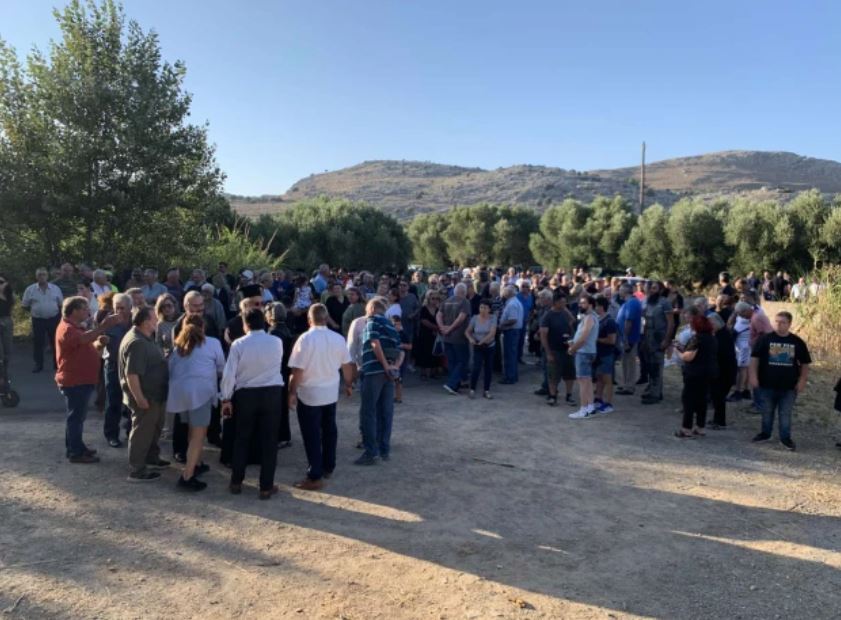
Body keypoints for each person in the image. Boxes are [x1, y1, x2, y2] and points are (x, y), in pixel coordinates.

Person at [287, 304, 354, 490]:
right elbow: (347, 365)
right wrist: (349, 384)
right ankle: (328, 466)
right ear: (326, 317)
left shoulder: (305, 339)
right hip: (330, 391)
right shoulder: (338, 338)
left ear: (309, 319)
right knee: (329, 429)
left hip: (310, 393)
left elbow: (297, 370)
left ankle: (315, 474)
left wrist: (292, 392)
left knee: (312, 434)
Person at [221, 308, 285, 499]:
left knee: (242, 438)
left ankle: (236, 481)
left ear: (245, 324)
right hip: (272, 392)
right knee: (269, 441)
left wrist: (226, 398)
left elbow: (229, 374)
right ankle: (266, 486)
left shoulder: (238, 344)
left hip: (246, 394)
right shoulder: (276, 341)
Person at [55, 297, 121, 463]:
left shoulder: (75, 327)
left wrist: (99, 342)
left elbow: (86, 343)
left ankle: (76, 447)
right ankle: (75, 452)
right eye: (84, 309)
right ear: (74, 311)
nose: (88, 311)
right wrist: (104, 326)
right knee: (76, 418)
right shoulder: (67, 329)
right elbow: (83, 339)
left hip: (80, 379)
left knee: (76, 417)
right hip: (75, 380)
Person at [167, 314, 225, 491]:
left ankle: (197, 463)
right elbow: (221, 368)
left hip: (180, 392)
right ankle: (187, 475)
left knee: (192, 430)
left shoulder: (178, 347)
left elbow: (171, 368)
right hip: (200, 392)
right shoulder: (213, 343)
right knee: (199, 436)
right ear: (203, 328)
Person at [119, 306, 170, 481]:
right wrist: (140, 398)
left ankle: (151, 458)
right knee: (142, 432)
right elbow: (132, 374)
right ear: (145, 322)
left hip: (155, 395)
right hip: (146, 397)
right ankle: (137, 470)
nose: (157, 320)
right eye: (154, 318)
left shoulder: (145, 337)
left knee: (154, 429)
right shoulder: (137, 343)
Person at [750, 311, 811, 451]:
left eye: (783, 322)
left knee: (785, 414)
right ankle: (765, 434)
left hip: (788, 386)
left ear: (789, 324)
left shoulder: (797, 342)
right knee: (767, 411)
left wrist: (802, 380)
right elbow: (754, 358)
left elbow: (805, 363)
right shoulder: (765, 339)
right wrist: (753, 376)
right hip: (766, 383)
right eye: (777, 321)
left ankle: (785, 438)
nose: (779, 325)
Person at [355, 297, 401, 465]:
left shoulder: (372, 322)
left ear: (372, 309)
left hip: (374, 371)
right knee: (385, 412)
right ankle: (384, 450)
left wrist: (384, 365)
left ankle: (370, 452)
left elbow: (374, 343)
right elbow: (400, 351)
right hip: (388, 374)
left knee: (368, 412)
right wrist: (393, 367)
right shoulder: (391, 326)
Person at [674, 308, 718, 438]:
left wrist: (678, 351)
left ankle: (686, 428)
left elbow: (688, 357)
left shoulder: (697, 338)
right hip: (708, 372)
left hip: (694, 373)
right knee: (702, 400)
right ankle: (700, 426)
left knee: (688, 400)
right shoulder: (712, 339)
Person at [101, 293, 133, 447]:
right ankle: (111, 435)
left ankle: (131, 432)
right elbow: (96, 341)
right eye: (116, 308)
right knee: (114, 402)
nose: (119, 311)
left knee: (133, 402)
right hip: (113, 365)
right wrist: (101, 341)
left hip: (132, 366)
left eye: (122, 308)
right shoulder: (108, 321)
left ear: (130, 307)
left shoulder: (136, 320)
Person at [540, 288, 577, 407]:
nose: (564, 304)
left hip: (567, 348)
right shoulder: (548, 316)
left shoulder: (565, 313)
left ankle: (569, 395)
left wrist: (565, 308)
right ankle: (552, 396)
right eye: (561, 302)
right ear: (555, 302)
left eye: (565, 302)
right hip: (554, 349)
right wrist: (548, 353)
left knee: (570, 374)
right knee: (553, 375)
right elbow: (543, 335)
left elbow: (573, 320)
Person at [21, 268, 63, 373]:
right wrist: (35, 311)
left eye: (44, 274)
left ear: (47, 276)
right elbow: (25, 305)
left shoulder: (55, 289)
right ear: (36, 277)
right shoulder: (30, 289)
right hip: (38, 320)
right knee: (38, 342)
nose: (42, 277)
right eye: (39, 275)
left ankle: (57, 364)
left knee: (55, 342)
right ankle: (38, 364)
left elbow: (61, 304)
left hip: (53, 318)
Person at [640, 281, 674, 405]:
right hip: (648, 336)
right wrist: (643, 338)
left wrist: (667, 340)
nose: (652, 290)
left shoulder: (665, 303)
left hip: (659, 337)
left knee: (657, 366)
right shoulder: (648, 302)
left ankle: (656, 394)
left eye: (655, 288)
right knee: (649, 365)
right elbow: (644, 320)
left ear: (660, 290)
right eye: (651, 288)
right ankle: (652, 389)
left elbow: (671, 323)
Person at [266, 302, 294, 448]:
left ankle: (281, 436)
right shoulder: (285, 329)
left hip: (278, 372)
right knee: (282, 405)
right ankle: (284, 435)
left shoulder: (274, 332)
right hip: (285, 370)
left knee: (278, 406)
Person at [568, 295, 599, 419]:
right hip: (586, 351)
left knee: (583, 382)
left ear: (590, 305)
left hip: (584, 352)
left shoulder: (590, 317)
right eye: (580, 303)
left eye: (583, 303)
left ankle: (583, 410)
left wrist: (573, 348)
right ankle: (590, 407)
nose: (580, 305)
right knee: (587, 381)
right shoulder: (589, 317)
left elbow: (584, 337)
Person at [437, 283, 471, 395]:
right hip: (459, 337)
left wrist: (442, 327)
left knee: (452, 362)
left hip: (447, 337)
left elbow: (438, 315)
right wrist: (450, 328)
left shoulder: (446, 301)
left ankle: (454, 385)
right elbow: (461, 318)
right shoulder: (465, 302)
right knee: (462, 361)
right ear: (464, 292)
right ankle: (452, 384)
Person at [709, 313, 737, 429]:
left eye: (710, 324)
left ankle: (720, 422)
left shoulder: (722, 336)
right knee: (717, 396)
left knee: (719, 396)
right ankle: (717, 419)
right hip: (723, 371)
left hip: (724, 372)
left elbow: (721, 354)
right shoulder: (721, 334)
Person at [465, 299, 497, 399]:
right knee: (476, 367)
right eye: (481, 307)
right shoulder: (475, 318)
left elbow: (492, 333)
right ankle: (472, 389)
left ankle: (486, 390)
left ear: (489, 309)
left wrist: (482, 341)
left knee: (488, 368)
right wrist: (470, 339)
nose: (482, 310)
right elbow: (467, 331)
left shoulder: (493, 318)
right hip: (477, 346)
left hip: (489, 346)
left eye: (485, 308)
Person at [615, 284, 642, 396]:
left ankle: (629, 386)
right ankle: (625, 383)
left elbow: (629, 321)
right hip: (625, 338)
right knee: (625, 362)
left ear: (626, 291)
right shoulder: (627, 303)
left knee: (630, 362)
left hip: (630, 338)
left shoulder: (632, 303)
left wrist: (626, 338)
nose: (619, 292)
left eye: (620, 289)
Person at [593, 296, 618, 414]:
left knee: (607, 379)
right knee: (599, 376)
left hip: (606, 354)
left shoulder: (609, 321)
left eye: (596, 305)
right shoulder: (599, 319)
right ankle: (598, 398)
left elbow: (612, 340)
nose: (595, 308)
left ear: (601, 307)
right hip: (599, 354)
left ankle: (608, 403)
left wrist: (596, 339)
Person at [499, 285, 524, 385]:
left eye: (504, 291)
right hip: (513, 331)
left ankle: (510, 377)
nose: (503, 293)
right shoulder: (514, 302)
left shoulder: (512, 304)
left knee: (510, 355)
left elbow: (513, 319)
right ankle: (513, 375)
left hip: (511, 331)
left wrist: (501, 324)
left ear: (508, 293)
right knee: (512, 354)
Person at [416, 290, 442, 379]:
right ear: (428, 299)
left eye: (437, 299)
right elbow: (424, 321)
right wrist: (436, 328)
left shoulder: (439, 310)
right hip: (425, 334)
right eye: (433, 298)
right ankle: (423, 373)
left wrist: (439, 329)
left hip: (435, 335)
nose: (434, 300)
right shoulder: (424, 309)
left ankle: (433, 372)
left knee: (435, 352)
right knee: (424, 352)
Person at [154, 294, 180, 358]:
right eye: (163, 307)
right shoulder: (160, 324)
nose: (166, 308)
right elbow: (158, 345)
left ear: (174, 305)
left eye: (169, 305)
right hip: (169, 357)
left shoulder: (182, 319)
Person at [0, 274, 13, 381]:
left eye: (1, 282)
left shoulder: (8, 294)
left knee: (7, 350)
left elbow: (8, 307)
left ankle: (5, 374)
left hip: (6, 321)